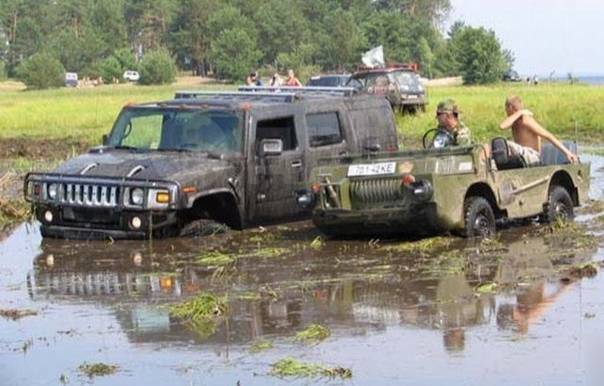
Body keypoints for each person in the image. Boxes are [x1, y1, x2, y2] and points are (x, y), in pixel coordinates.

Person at [499, 95, 578, 165]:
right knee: (495, 146)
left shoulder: (525, 120)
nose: (506, 112)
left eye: (506, 109)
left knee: (504, 144)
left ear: (510, 107)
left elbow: (548, 136)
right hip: (521, 155)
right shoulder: (513, 121)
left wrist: (567, 153)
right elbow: (503, 125)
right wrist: (520, 112)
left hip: (533, 156)